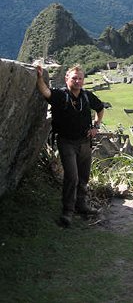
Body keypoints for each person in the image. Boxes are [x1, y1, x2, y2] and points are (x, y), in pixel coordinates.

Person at [36, 64, 104, 227]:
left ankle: (81, 205)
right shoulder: (61, 95)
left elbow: (100, 108)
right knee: (72, 177)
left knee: (83, 176)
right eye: (74, 78)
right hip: (66, 142)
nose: (77, 81)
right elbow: (45, 92)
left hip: (84, 142)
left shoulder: (87, 96)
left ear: (83, 81)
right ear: (67, 79)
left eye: (80, 78)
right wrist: (39, 77)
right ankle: (67, 211)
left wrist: (96, 126)